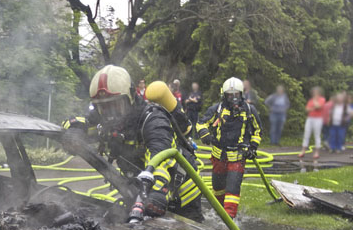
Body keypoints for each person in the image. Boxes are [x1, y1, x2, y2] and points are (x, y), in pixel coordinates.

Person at [65, 65, 203, 222]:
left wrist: (157, 191)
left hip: (181, 194)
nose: (110, 115)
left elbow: (160, 157)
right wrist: (75, 130)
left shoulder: (152, 120)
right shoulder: (103, 120)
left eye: (115, 106)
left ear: (130, 97)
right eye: (104, 107)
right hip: (143, 190)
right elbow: (76, 122)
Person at [195, 77, 262, 219]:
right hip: (219, 157)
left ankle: (229, 220)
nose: (233, 99)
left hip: (238, 157)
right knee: (218, 190)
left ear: (241, 94)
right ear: (224, 95)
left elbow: (258, 131)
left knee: (232, 190)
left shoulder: (249, 110)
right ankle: (219, 215)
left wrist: (253, 147)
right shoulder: (217, 109)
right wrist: (204, 134)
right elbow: (201, 123)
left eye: (236, 95)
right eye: (230, 95)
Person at [299, 87, 325, 159]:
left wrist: (315, 103)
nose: (314, 93)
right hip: (310, 118)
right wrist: (314, 107)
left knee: (317, 135)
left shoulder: (322, 99)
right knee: (306, 134)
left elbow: (318, 106)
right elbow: (307, 109)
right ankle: (303, 151)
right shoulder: (310, 100)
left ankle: (317, 152)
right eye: (313, 92)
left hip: (318, 119)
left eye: (316, 92)